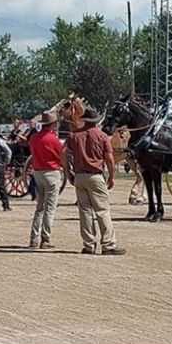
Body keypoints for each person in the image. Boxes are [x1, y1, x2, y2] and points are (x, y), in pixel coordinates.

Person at [68, 109, 124, 255]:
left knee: (85, 211)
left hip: (79, 176)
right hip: (95, 175)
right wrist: (111, 176)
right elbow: (110, 159)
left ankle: (89, 245)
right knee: (102, 211)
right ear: (96, 121)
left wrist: (68, 172)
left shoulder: (74, 136)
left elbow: (64, 153)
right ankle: (108, 244)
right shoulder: (102, 136)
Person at [26, 112, 65, 249]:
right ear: (53, 124)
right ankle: (45, 238)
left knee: (40, 207)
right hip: (51, 172)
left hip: (38, 172)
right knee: (50, 207)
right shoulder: (53, 139)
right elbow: (61, 156)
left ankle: (33, 238)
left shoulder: (34, 138)